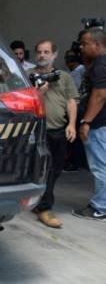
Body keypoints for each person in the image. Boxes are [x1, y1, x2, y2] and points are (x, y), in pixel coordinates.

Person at [28, 40, 78, 228]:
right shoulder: (27, 75)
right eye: (39, 52)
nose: (42, 55)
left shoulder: (63, 77)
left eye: (46, 52)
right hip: (37, 131)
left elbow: (71, 101)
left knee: (56, 170)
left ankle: (39, 201)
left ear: (54, 55)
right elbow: (21, 100)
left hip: (58, 130)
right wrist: (38, 93)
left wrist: (72, 124)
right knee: (46, 169)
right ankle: (44, 208)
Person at [73, 27, 106, 221]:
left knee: (100, 166)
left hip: (98, 124)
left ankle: (100, 207)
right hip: (101, 124)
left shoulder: (101, 65)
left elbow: (100, 95)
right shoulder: (98, 63)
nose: (82, 48)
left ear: (97, 44)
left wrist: (86, 121)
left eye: (85, 44)